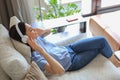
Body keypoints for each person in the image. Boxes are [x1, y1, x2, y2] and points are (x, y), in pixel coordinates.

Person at [9, 22, 120, 75]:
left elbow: (49, 31)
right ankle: (117, 64)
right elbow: (60, 71)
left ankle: (115, 62)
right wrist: (40, 50)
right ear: (24, 38)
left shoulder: (36, 38)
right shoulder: (36, 58)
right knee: (99, 47)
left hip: (69, 48)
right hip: (72, 62)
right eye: (31, 30)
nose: (34, 30)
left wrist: (41, 31)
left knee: (101, 40)